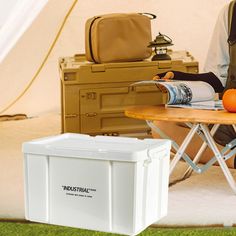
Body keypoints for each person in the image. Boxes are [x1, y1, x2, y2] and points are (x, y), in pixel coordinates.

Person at [152, 0, 236, 168]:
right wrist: (177, 79)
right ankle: (232, 159)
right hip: (230, 121)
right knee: (161, 126)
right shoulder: (231, 12)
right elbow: (217, 79)